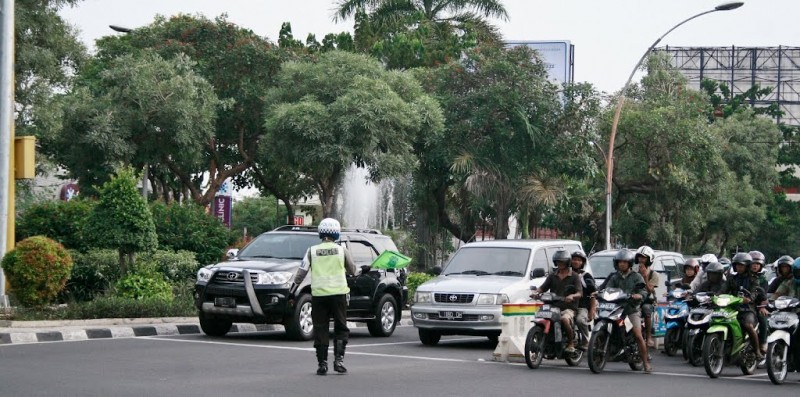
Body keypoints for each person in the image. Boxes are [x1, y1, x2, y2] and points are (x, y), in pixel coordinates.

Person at [292, 218, 356, 375]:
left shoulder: (312, 251)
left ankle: (322, 364)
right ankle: (339, 361)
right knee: (341, 327)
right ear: (336, 233)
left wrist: (292, 291)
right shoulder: (342, 250)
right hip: (339, 294)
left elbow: (301, 272)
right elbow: (353, 270)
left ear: (321, 233)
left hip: (319, 295)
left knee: (321, 328)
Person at [603, 249, 652, 373]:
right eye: (620, 262)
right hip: (615, 309)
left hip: (631, 310)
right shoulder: (615, 277)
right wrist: (598, 292)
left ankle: (646, 362)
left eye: (624, 262)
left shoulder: (637, 276)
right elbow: (606, 288)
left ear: (629, 263)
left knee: (637, 334)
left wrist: (638, 295)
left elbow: (644, 291)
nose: (622, 264)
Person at [718, 252, 768, 360]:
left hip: (747, 309)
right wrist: (715, 297)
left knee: (748, 325)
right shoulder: (731, 278)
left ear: (747, 266)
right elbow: (723, 290)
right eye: (737, 265)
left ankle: (757, 351)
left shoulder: (754, 279)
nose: (739, 267)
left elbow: (755, 291)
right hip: (732, 307)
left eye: (741, 265)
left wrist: (750, 299)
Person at [531, 250, 582, 352]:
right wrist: (536, 293)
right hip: (553, 306)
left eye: (562, 262)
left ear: (567, 262)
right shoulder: (552, 275)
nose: (559, 264)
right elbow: (543, 288)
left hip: (568, 307)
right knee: (540, 317)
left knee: (564, 319)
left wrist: (572, 296)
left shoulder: (575, 276)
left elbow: (579, 293)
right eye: (558, 262)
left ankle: (571, 343)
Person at [570, 250, 596, 350]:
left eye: (578, 260)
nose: (576, 262)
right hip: (567, 306)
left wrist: (592, 309)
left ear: (582, 262)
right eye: (574, 259)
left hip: (582, 307)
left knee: (580, 320)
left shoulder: (586, 276)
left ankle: (586, 340)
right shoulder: (565, 274)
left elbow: (593, 293)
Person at [635, 246, 659, 348]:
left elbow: (649, 290)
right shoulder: (633, 271)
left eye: (644, 258)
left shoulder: (654, 274)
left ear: (649, 259)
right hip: (634, 298)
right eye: (639, 257)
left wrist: (645, 276)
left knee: (646, 309)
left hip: (648, 300)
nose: (641, 260)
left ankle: (649, 337)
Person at [748, 250, 770, 354]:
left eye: (757, 264)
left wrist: (762, 306)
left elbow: (764, 295)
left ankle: (763, 342)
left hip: (757, 306)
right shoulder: (743, 276)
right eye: (753, 263)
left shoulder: (763, 279)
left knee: (763, 318)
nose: (755, 266)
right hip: (742, 304)